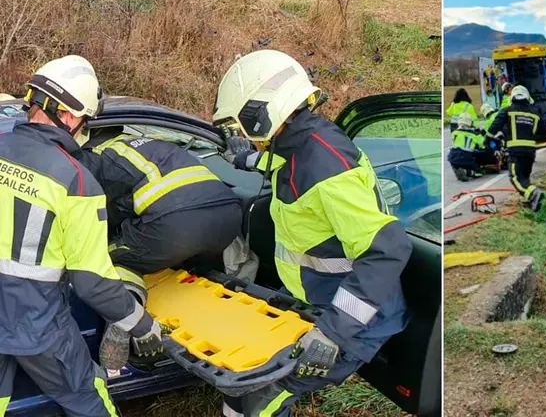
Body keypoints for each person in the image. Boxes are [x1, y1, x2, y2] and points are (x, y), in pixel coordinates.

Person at [213, 50, 412, 417]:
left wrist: (331, 334)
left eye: (242, 125)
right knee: (240, 385)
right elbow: (283, 165)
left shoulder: (326, 167)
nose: (242, 134)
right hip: (315, 304)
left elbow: (388, 248)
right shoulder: (300, 143)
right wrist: (244, 159)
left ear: (261, 114)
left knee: (257, 400)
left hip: (354, 320)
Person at [0, 55, 163, 416]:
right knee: (89, 400)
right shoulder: (75, 182)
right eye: (86, 120)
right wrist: (140, 323)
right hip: (38, 326)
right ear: (71, 116)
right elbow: (92, 282)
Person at [76, 124, 243, 371]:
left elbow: (93, 210)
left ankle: (127, 315)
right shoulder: (149, 140)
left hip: (175, 225)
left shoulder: (95, 158)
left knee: (112, 258)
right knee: (190, 268)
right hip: (228, 216)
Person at [488, 85, 544, 211]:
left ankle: (534, 193)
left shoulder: (507, 111)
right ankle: (530, 201)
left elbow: (495, 125)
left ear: (512, 97)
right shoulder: (535, 113)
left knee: (515, 177)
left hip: (515, 151)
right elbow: (543, 129)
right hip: (530, 152)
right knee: (525, 176)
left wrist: (487, 138)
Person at [448, 113, 486, 182]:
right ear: (470, 122)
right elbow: (482, 145)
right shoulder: (475, 135)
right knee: (479, 172)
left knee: (453, 156)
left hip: (453, 155)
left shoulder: (454, 133)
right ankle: (472, 172)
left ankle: (457, 167)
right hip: (467, 157)